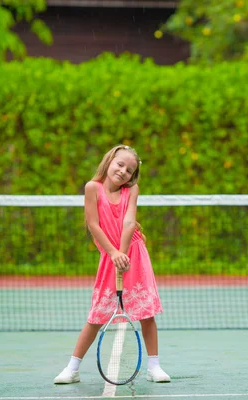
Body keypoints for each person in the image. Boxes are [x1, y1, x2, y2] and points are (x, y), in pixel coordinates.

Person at [54, 145, 170, 384]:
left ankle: (154, 367)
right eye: (120, 164)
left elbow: (129, 222)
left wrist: (123, 254)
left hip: (134, 254)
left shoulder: (132, 190)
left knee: (146, 314)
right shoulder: (91, 188)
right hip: (110, 256)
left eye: (129, 170)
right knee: (97, 316)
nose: (123, 171)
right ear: (109, 161)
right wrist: (113, 253)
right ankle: (72, 368)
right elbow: (93, 225)